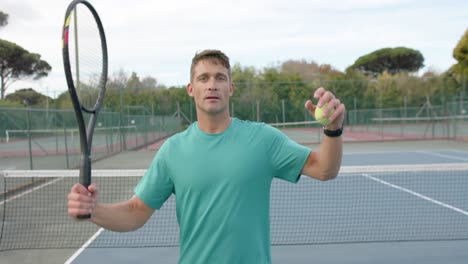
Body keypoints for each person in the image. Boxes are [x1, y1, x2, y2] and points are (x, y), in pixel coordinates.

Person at [67, 49, 346, 264]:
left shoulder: (263, 139)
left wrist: (332, 131)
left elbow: (324, 169)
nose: (212, 85)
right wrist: (94, 210)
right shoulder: (172, 151)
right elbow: (135, 213)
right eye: (203, 78)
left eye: (220, 78)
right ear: (191, 89)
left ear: (230, 88)